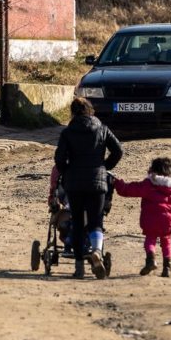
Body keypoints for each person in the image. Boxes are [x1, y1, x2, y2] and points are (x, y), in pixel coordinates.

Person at [52, 97, 123, 279]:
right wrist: (104, 167)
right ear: (90, 110)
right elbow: (118, 150)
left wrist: (67, 171)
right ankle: (97, 251)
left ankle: (79, 268)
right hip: (97, 182)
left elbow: (59, 158)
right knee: (95, 221)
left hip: (74, 183)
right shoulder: (101, 128)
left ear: (73, 112)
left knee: (77, 221)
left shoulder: (67, 132)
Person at [113, 157, 171, 278]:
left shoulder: (149, 185)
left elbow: (130, 189)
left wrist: (118, 184)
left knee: (150, 240)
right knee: (166, 242)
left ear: (153, 171)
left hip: (151, 221)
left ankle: (150, 260)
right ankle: (167, 266)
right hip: (168, 223)